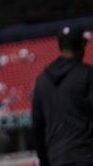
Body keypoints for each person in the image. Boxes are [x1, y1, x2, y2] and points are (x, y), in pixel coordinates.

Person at [32, 26, 93, 166]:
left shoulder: (42, 80)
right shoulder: (88, 75)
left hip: (57, 157)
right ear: (82, 45)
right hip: (86, 154)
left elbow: (37, 126)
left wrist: (44, 160)